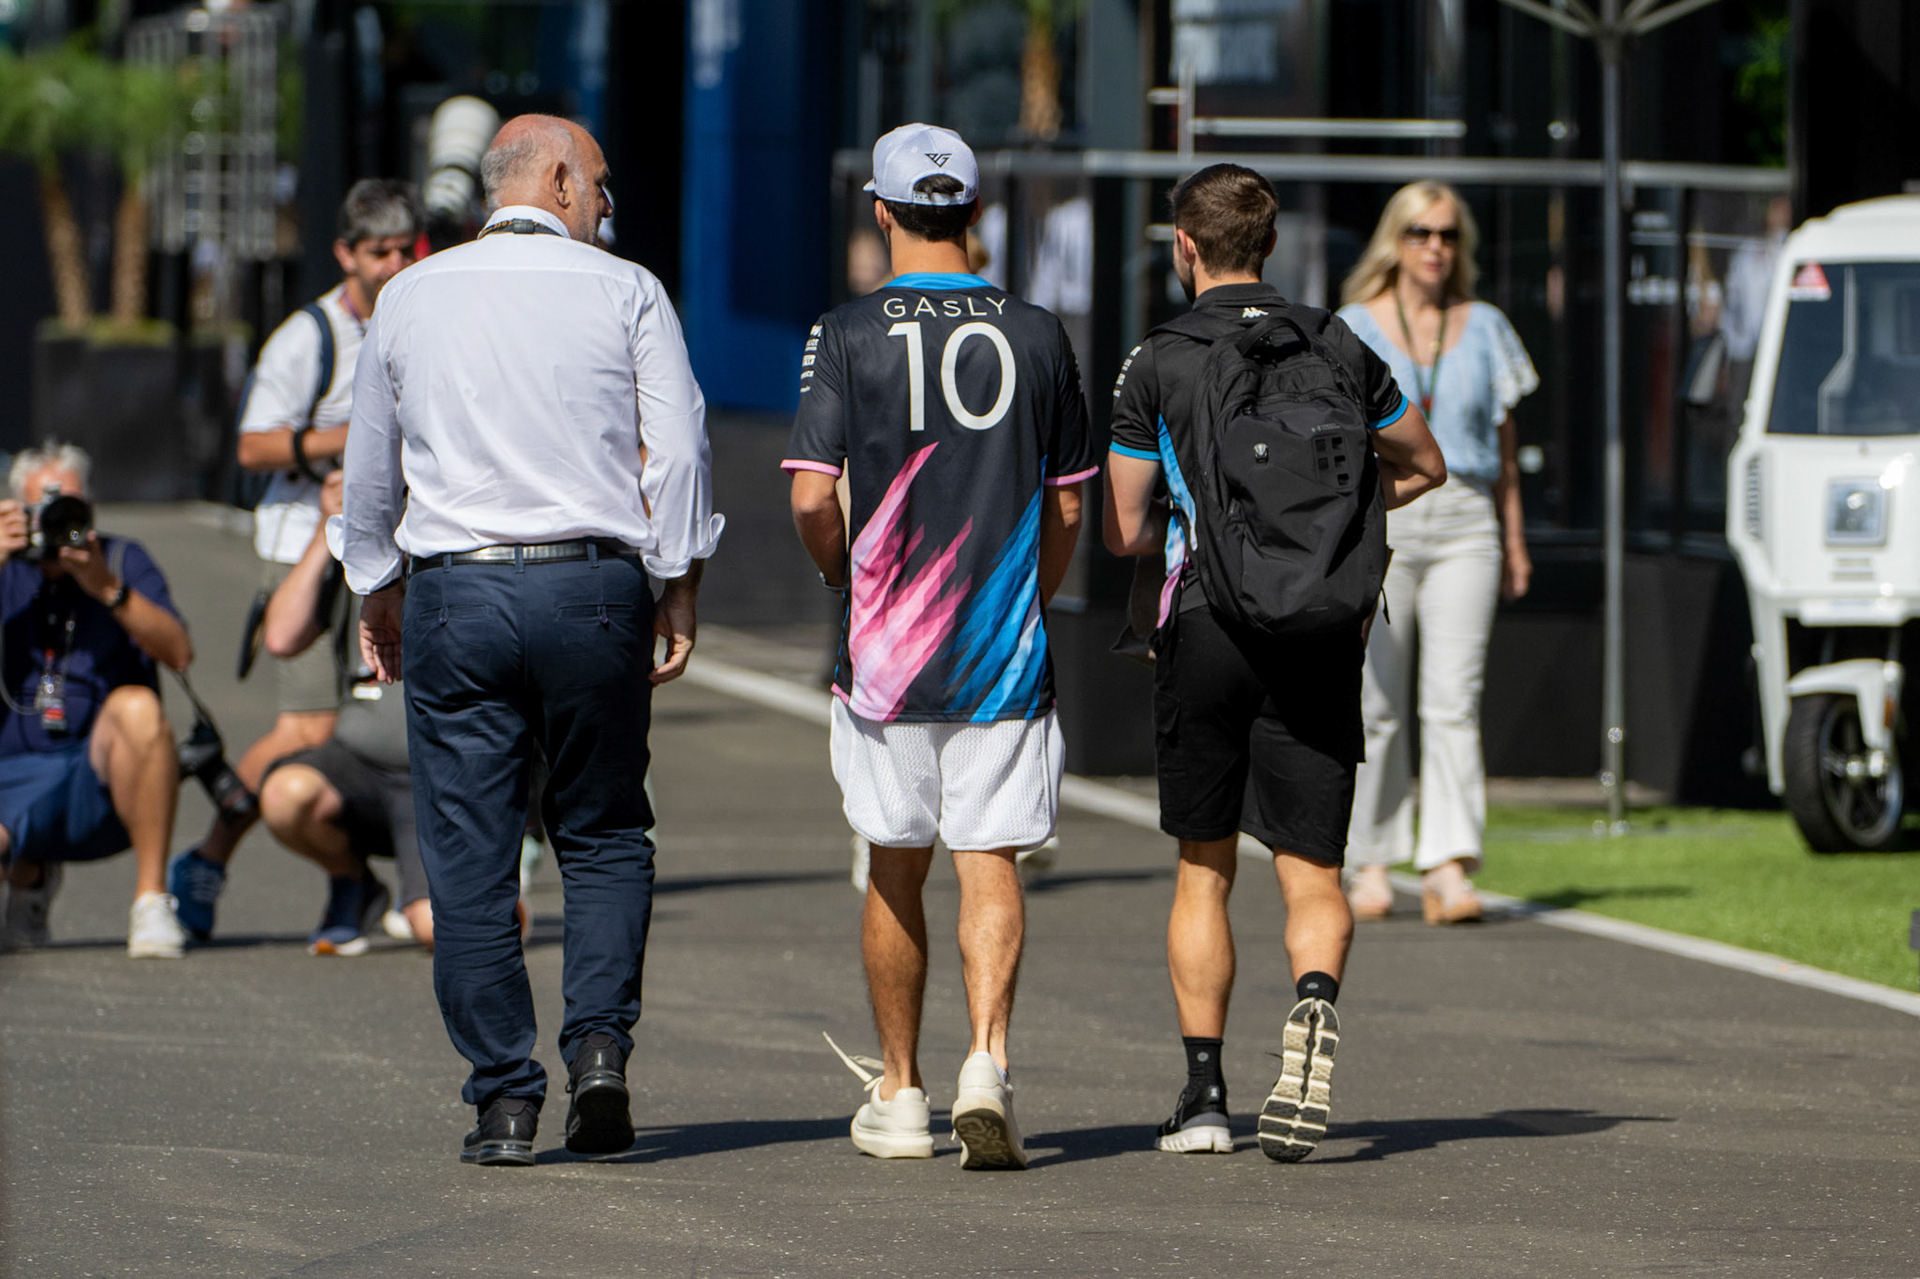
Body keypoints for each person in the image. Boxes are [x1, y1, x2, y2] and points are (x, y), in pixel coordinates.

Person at [342, 114, 721, 1166]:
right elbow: (681, 452)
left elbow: (373, 468)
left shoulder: (410, 294)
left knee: (468, 852)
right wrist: (678, 580)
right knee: (600, 829)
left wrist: (376, 587)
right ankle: (599, 1050)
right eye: (599, 183)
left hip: (453, 591)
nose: (607, 203)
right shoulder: (628, 289)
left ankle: (506, 1100)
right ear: (555, 179)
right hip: (592, 584)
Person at [1104, 164, 1445, 1160]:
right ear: (1273, 245)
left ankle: (1205, 1095)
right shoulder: (1339, 342)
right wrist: (1333, 532)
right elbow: (1425, 462)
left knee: (1204, 867)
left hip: (1206, 623)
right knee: (1313, 869)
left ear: (1185, 246)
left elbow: (1126, 527)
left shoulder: (1155, 361)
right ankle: (1313, 1001)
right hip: (1319, 631)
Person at [787, 123, 1095, 1172]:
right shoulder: (1041, 332)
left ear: (880, 210)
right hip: (1001, 645)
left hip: (885, 653)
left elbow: (808, 497)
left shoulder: (846, 330)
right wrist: (1026, 597)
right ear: (973, 213)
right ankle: (988, 1064)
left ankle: (904, 1090)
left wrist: (845, 575)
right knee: (990, 857)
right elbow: (1066, 512)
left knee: (894, 861)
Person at [168, 180, 425, 942]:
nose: (390, 264)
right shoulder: (306, 338)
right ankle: (208, 856)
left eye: (402, 249)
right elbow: (251, 445)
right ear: (346, 253)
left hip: (387, 545)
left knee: (376, 718)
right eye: (375, 251)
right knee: (312, 724)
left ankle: (370, 883)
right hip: (303, 548)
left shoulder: (419, 315)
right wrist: (346, 443)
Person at [1336, 181, 1539, 926]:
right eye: (1421, 232)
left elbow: (1507, 452)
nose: (1435, 247)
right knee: (1378, 700)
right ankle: (1373, 857)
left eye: (1448, 235)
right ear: (1396, 238)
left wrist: (1514, 538)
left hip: (1467, 518)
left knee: (1454, 699)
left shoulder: (1486, 326)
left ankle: (1449, 863)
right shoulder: (1355, 323)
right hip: (1384, 513)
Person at [0, 443, 194, 958]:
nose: (60, 519)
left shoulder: (121, 559)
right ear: (19, 510)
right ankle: (28, 874)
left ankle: (152, 899)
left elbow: (179, 653)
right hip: (11, 774)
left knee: (138, 708)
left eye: (72, 505)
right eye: (46, 507)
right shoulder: (5, 566)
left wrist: (106, 587)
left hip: (98, 778)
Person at [252, 472, 429, 956]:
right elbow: (281, 638)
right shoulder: (357, 546)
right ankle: (353, 882)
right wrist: (326, 527)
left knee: (435, 930)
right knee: (286, 795)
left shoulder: (457, 536)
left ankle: (481, 888)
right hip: (359, 763)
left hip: (434, 774)